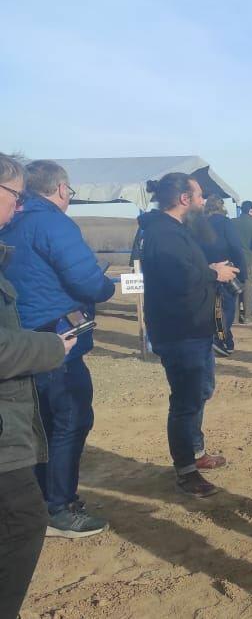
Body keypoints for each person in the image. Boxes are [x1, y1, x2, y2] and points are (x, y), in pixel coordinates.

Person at [0, 160, 116, 539]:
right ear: (62, 189)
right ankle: (59, 507)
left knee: (40, 425)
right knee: (70, 420)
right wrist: (105, 287)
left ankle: (38, 501)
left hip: (21, 340)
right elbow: (86, 280)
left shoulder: (12, 222)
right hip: (56, 341)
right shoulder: (53, 223)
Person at [0, 154, 75, 618]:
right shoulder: (55, 226)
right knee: (24, 519)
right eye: (15, 195)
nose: (20, 206)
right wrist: (50, 347)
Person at [139, 173, 238, 498]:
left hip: (193, 328)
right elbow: (177, 279)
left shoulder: (174, 230)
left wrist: (209, 267)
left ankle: (195, 452)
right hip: (179, 331)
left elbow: (185, 268)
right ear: (184, 199)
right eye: (198, 195)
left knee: (199, 392)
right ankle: (186, 471)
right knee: (186, 400)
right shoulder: (163, 234)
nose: (202, 201)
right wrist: (213, 273)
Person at [195, 196, 248, 356]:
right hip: (225, 270)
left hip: (206, 270)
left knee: (214, 307)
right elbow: (236, 247)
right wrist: (241, 272)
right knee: (227, 308)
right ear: (222, 207)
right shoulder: (225, 223)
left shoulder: (199, 224)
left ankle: (226, 341)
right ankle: (218, 339)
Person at [233, 200, 252, 325]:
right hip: (248, 260)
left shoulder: (232, 222)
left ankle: (234, 317)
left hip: (233, 260)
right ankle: (247, 316)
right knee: (248, 287)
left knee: (234, 287)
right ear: (250, 210)